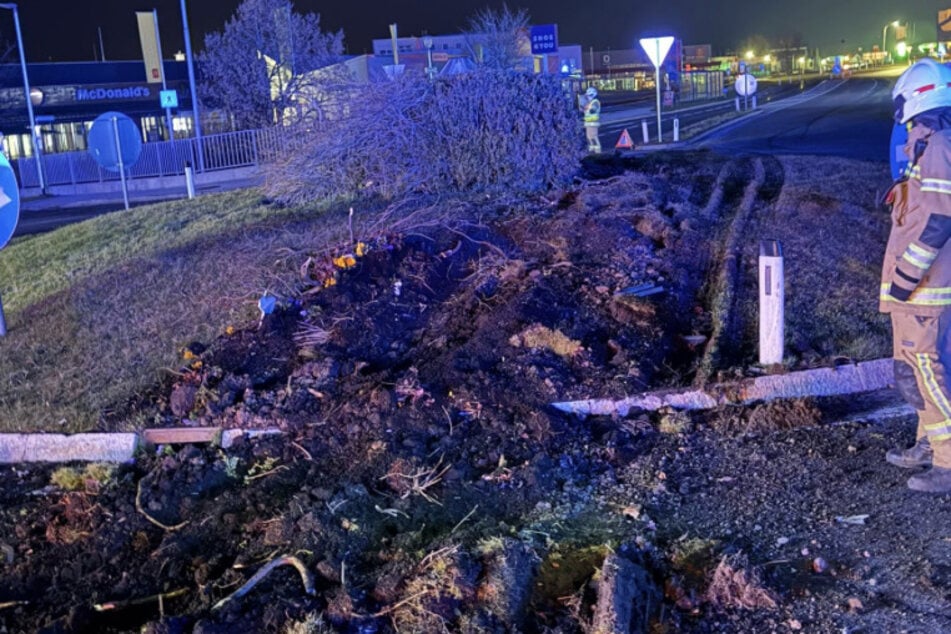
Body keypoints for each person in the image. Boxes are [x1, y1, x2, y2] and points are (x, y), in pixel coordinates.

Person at [881, 57, 951, 493]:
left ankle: (947, 461)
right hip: (910, 290)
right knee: (911, 371)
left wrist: (906, 276)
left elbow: (942, 221)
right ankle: (928, 444)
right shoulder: (928, 145)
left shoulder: (941, 146)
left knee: (927, 371)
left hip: (924, 289)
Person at [581, 86, 601, 154]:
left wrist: (586, 109)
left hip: (593, 122)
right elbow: (586, 110)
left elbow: (593, 110)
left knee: (594, 137)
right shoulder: (590, 102)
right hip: (588, 122)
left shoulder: (595, 102)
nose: (587, 97)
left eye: (588, 95)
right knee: (589, 137)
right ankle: (591, 150)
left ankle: (598, 151)